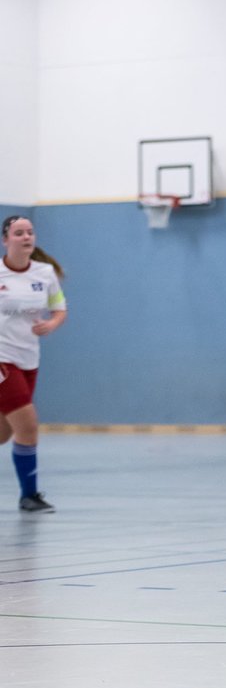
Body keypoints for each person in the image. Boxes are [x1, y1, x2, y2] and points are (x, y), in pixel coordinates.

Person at [0, 216, 67, 513]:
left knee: (4, 433)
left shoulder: (45, 273)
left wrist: (51, 325)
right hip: (2, 358)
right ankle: (29, 496)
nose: (26, 237)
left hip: (29, 359)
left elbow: (59, 308)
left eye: (30, 232)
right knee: (28, 424)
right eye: (18, 233)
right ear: (6, 240)